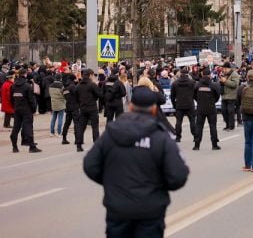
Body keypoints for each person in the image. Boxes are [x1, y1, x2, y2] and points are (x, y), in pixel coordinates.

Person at [83, 85, 189, 238]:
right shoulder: (161, 137)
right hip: (150, 210)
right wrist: (158, 187)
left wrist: (112, 182)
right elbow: (178, 175)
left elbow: (90, 165)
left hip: (118, 209)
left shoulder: (111, 133)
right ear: (154, 109)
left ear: (131, 106)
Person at [10, 70, 41, 153]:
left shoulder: (13, 86)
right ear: (25, 75)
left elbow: (11, 99)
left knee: (15, 128)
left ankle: (14, 147)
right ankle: (32, 147)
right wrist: (34, 110)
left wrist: (15, 107)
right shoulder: (27, 86)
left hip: (17, 109)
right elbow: (31, 100)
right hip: (26, 110)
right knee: (28, 128)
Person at [192, 68, 221, 151]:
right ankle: (214, 145)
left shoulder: (197, 85)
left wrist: (199, 101)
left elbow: (194, 95)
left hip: (200, 107)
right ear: (209, 75)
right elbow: (217, 95)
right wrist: (212, 101)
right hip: (211, 107)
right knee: (213, 126)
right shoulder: (213, 85)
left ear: (202, 74)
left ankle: (196, 145)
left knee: (199, 126)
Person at [75, 68, 103, 152]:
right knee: (95, 126)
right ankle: (96, 144)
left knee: (81, 127)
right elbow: (100, 95)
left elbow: (76, 96)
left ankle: (79, 145)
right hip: (92, 108)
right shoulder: (92, 84)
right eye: (93, 75)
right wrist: (95, 97)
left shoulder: (79, 85)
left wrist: (80, 104)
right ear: (90, 75)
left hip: (83, 108)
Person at [170, 68, 196, 143]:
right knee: (192, 121)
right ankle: (195, 136)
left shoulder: (175, 83)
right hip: (190, 104)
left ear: (180, 74)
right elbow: (195, 93)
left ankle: (178, 137)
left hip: (179, 104)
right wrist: (192, 98)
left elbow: (172, 96)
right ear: (187, 74)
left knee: (178, 122)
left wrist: (174, 105)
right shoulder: (192, 82)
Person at [219, 63, 240, 131]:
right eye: (223, 69)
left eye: (225, 69)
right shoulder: (224, 74)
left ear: (229, 68)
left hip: (232, 96)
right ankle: (227, 125)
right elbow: (223, 83)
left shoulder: (234, 74)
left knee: (230, 111)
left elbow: (234, 84)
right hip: (224, 95)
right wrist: (221, 81)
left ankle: (231, 126)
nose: (224, 70)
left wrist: (225, 81)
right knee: (223, 111)